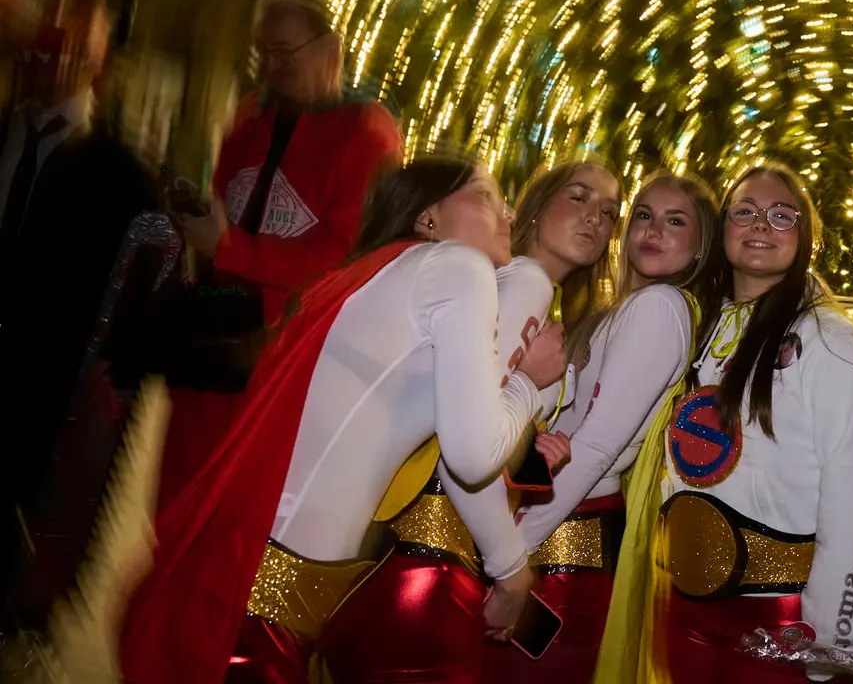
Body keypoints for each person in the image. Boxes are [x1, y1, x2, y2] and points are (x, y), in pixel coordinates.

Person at [116, 156, 567, 684]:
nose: (508, 212)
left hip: (258, 583)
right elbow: (472, 456)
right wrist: (525, 386)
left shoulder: (380, 274)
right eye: (486, 195)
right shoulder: (458, 268)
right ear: (428, 216)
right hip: (270, 604)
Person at [315, 160, 620, 683]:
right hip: (429, 565)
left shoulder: (527, 298)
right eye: (578, 197)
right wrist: (512, 571)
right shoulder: (526, 281)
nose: (596, 217)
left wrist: (531, 455)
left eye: (610, 211)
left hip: (412, 561)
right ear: (536, 204)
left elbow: (456, 422)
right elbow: (467, 454)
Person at [157, 0, 403, 510]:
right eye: (263, 52)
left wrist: (228, 245)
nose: (272, 66)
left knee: (235, 521)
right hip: (208, 356)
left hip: (281, 372)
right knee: (177, 511)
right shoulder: (251, 117)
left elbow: (346, 262)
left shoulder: (365, 133)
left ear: (330, 50)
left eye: (285, 51)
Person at [635, 164, 853, 683]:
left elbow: (852, 491)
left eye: (780, 215)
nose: (760, 224)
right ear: (721, 228)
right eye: (744, 211)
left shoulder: (828, 337)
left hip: (779, 622)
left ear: (804, 235)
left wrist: (832, 640)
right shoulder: (695, 322)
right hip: (680, 604)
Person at [481, 172, 718, 683]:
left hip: (565, 541)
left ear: (701, 249)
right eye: (642, 216)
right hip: (553, 521)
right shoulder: (617, 310)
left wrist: (509, 560)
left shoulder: (660, 307)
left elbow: (596, 446)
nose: (654, 230)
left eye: (676, 221)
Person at [0, 0, 160, 628]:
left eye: (61, 54)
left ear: (97, 67)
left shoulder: (125, 181)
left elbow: (130, 341)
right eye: (35, 52)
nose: (43, 66)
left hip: (45, 427)